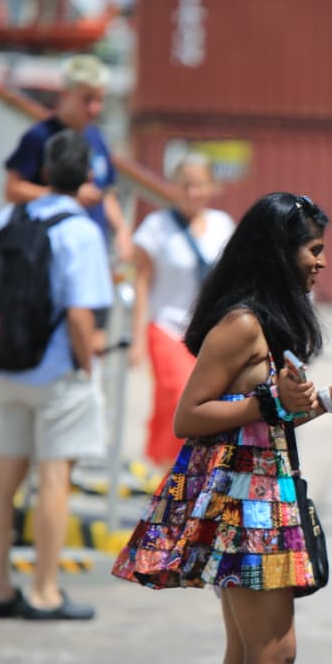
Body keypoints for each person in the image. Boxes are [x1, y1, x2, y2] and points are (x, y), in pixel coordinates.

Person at [110, 192, 332, 664]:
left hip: (257, 495)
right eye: (312, 249)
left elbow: (265, 417)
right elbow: (189, 415)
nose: (320, 261)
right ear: (278, 252)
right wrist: (264, 396)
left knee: (243, 657)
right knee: (272, 653)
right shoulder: (242, 324)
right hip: (243, 503)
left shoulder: (270, 325)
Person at [0, 129, 112, 622]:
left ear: (46, 173)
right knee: (55, 478)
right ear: (87, 178)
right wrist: (86, 365)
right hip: (57, 373)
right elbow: (81, 314)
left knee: (4, 479)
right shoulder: (80, 231)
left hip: (8, 366)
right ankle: (45, 591)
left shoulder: (5, 219)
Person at [129, 153, 235, 465]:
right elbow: (142, 281)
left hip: (208, 334)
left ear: (212, 187)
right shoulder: (156, 227)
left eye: (199, 185)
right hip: (166, 327)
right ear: (174, 187)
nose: (192, 193)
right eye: (185, 185)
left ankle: (178, 470)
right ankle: (169, 465)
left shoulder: (223, 225)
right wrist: (136, 339)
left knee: (204, 404)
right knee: (178, 396)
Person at [4, 54, 133, 260]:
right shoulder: (40, 136)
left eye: (99, 100)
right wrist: (65, 196)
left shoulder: (96, 137)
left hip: (92, 246)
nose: (94, 108)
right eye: (87, 99)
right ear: (66, 94)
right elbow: (13, 189)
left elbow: (105, 193)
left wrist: (122, 230)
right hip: (49, 249)